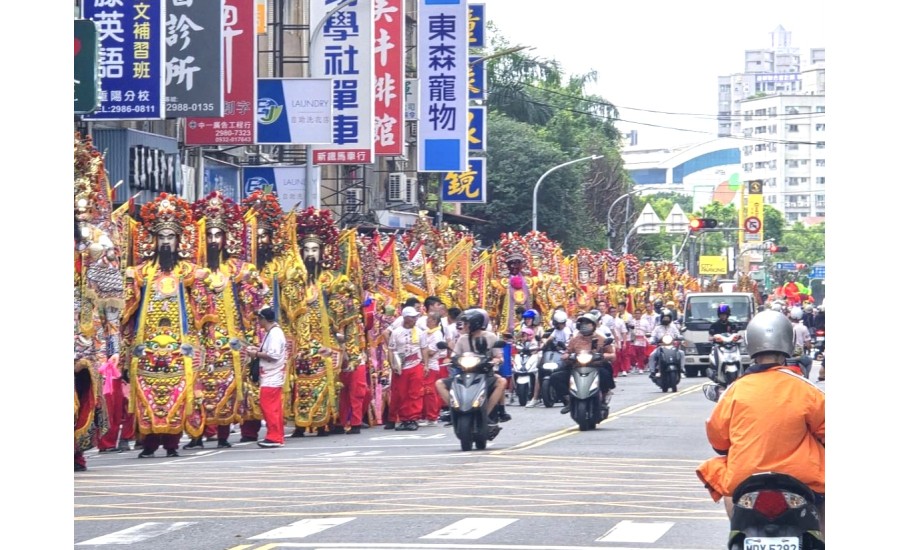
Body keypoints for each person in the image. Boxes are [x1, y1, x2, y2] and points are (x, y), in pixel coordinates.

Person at [696, 310, 825, 534]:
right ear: (788, 342)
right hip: (803, 477)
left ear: (750, 344)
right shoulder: (806, 389)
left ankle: (738, 530)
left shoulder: (735, 389)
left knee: (727, 484)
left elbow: (718, 438)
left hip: (744, 477)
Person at [123, 193, 201, 458]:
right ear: (154, 240)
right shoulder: (141, 272)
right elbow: (128, 307)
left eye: (171, 237)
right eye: (162, 237)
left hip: (180, 348)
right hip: (147, 347)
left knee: (176, 397)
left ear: (179, 240)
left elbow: (204, 306)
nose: (166, 242)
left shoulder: (190, 271)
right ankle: (149, 443)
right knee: (147, 396)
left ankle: (171, 443)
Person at [184, 191, 260, 450]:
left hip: (231, 341)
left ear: (227, 238)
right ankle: (196, 433)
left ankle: (224, 434)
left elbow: (258, 299)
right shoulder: (192, 272)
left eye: (219, 235)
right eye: (209, 235)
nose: (214, 240)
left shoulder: (240, 269)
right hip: (202, 341)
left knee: (227, 388)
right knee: (198, 388)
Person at [74, 134, 123, 469]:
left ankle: (75, 448)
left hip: (83, 331)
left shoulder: (96, 241)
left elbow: (111, 300)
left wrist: (113, 342)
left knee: (81, 392)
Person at [435, 309, 508, 427]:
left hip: (485, 374)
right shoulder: (462, 339)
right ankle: (455, 411)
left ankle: (486, 413)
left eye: (467, 323)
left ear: (475, 324)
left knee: (501, 381)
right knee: (439, 383)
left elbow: (499, 356)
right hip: (464, 374)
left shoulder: (491, 337)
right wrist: (450, 360)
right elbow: (454, 355)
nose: (464, 326)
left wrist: (495, 361)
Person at [553, 313, 616, 415]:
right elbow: (567, 352)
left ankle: (603, 398)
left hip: (595, 366)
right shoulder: (575, 339)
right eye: (582, 323)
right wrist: (566, 356)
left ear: (594, 325)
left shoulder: (601, 338)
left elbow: (612, 355)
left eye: (587, 323)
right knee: (555, 377)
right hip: (576, 366)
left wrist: (603, 356)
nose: (584, 325)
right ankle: (568, 400)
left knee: (605, 373)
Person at [244, 308, 287, 447]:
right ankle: (277, 435)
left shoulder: (275, 334)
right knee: (273, 407)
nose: (258, 322)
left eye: (259, 319)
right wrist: (257, 350)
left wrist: (255, 355)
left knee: (269, 407)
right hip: (271, 374)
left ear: (264, 319)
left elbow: (273, 355)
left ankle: (274, 437)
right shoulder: (272, 333)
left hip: (272, 375)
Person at [388, 307, 426, 431]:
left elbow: (423, 348)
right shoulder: (396, 332)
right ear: (405, 318)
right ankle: (405, 419)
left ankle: (413, 418)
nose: (415, 319)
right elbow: (391, 349)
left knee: (415, 393)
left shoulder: (420, 332)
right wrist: (392, 365)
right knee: (402, 393)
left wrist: (425, 364)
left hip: (416, 364)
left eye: (416, 317)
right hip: (401, 367)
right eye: (412, 317)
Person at [420, 311, 447, 426]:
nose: (427, 321)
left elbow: (431, 351)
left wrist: (421, 353)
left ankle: (432, 417)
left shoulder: (437, 334)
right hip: (425, 364)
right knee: (425, 391)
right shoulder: (426, 333)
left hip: (431, 365)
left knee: (430, 391)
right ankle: (428, 415)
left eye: (429, 319)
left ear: (435, 321)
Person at [647, 308, 685, 377]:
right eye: (665, 318)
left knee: (681, 353)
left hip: (672, 347)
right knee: (652, 355)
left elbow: (677, 334)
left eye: (667, 318)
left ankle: (682, 369)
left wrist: (680, 337)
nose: (666, 319)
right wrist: (652, 340)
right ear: (661, 318)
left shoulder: (673, 327)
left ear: (670, 318)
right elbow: (653, 336)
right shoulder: (657, 328)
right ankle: (652, 371)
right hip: (660, 347)